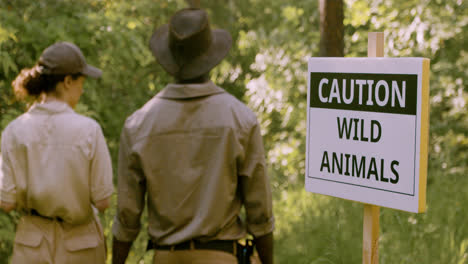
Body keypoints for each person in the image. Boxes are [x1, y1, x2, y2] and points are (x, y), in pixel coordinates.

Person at [112, 7, 274, 264]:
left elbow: (127, 216)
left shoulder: (139, 124)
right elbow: (260, 212)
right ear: (211, 57)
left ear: (170, 61)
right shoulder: (240, 119)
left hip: (166, 257)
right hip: (223, 256)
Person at [0, 42, 114, 264]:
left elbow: (6, 203)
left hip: (31, 247)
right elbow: (102, 201)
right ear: (68, 81)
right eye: (81, 82)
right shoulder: (89, 130)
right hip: (81, 247)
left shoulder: (14, 130)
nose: (82, 89)